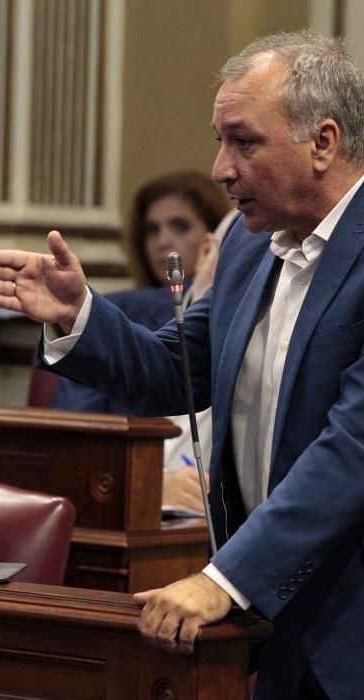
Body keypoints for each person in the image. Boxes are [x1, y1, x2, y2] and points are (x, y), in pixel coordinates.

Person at [0, 29, 364, 700]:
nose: (220, 169)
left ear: (323, 142)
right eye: (219, 140)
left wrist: (223, 578)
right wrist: (78, 315)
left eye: (243, 141)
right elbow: (178, 370)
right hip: (285, 622)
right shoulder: (246, 236)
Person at [50, 171, 229, 512]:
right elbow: (74, 431)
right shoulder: (111, 311)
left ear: (210, 242)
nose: (163, 242)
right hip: (128, 487)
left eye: (180, 227)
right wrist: (151, 483)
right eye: (152, 230)